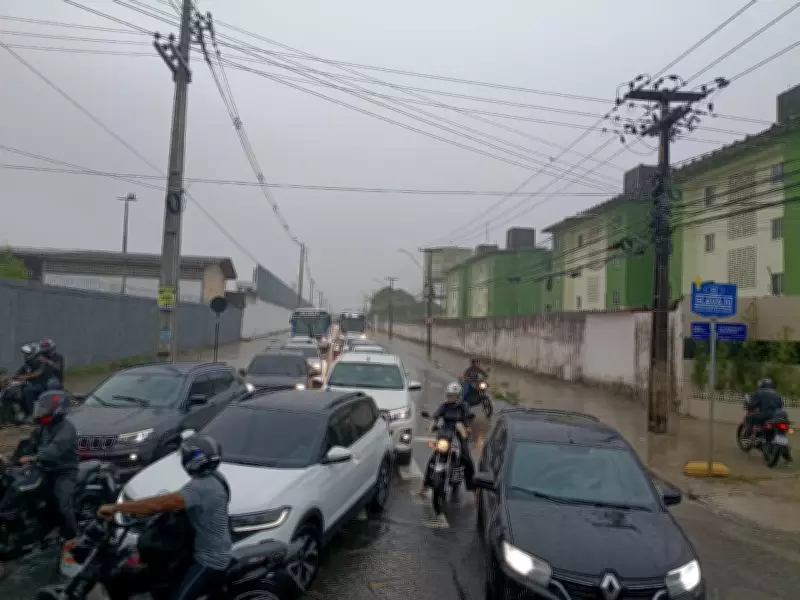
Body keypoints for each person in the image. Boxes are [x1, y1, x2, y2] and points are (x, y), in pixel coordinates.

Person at [97, 434, 232, 600]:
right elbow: (171, 504)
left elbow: (158, 504)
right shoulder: (215, 477)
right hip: (196, 550)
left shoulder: (202, 487)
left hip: (209, 560)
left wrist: (116, 508)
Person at [13, 384, 78, 540]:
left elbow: (53, 451)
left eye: (45, 407)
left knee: (63, 505)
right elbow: (29, 445)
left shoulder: (66, 428)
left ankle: (72, 538)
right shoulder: (43, 427)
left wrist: (32, 458)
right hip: (44, 468)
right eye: (41, 407)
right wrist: (12, 460)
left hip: (63, 471)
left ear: (58, 408)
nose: (42, 410)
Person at [419, 382, 477, 502]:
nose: (451, 398)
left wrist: (468, 428)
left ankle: (474, 491)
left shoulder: (464, 406)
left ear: (459, 396)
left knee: (467, 460)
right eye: (449, 395)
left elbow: (468, 418)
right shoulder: (444, 406)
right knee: (432, 460)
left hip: (459, 435)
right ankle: (424, 487)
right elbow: (435, 417)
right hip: (445, 435)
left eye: (453, 396)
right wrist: (432, 425)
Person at [746, 378, 793, 464]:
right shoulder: (777, 394)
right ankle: (787, 457)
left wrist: (748, 405)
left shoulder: (759, 393)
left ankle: (748, 436)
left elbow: (753, 405)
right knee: (782, 436)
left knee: (749, 418)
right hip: (776, 418)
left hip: (764, 416)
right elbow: (780, 406)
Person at [14, 343, 56, 419]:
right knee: (17, 390)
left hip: (44, 385)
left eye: (27, 354)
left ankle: (33, 414)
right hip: (33, 384)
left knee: (28, 390)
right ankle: (22, 413)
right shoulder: (27, 364)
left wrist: (24, 377)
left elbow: (37, 374)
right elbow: (17, 374)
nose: (25, 356)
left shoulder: (42, 361)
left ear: (34, 352)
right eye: (25, 354)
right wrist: (13, 378)